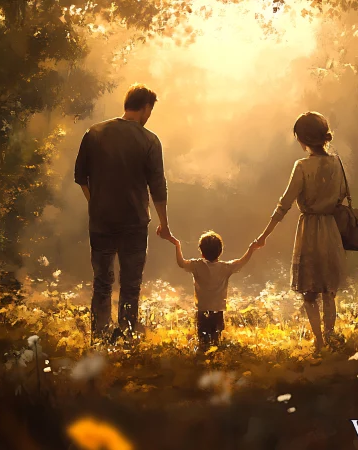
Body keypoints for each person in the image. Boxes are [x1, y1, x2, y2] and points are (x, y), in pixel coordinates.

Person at [74, 83, 172, 342]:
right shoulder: (149, 140)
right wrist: (164, 223)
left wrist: (94, 202)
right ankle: (127, 336)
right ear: (145, 108)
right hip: (135, 222)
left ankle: (99, 335)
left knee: (102, 282)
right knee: (130, 284)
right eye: (150, 110)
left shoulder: (93, 133)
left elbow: (80, 177)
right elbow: (158, 187)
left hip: (101, 222)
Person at [252, 112, 347, 354]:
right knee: (329, 291)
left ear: (302, 139)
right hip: (330, 229)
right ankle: (330, 335)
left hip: (309, 232)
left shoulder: (302, 166)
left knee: (310, 292)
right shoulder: (337, 162)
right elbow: (343, 194)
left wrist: (264, 235)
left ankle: (319, 341)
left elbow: (284, 204)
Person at [166, 231, 256, 352]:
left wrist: (177, 245)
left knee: (203, 342)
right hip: (218, 312)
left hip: (202, 311)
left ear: (202, 252)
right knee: (215, 343)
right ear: (220, 251)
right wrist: (251, 249)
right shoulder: (225, 267)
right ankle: (215, 363)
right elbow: (241, 262)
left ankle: (202, 362)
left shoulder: (197, 265)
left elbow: (181, 263)